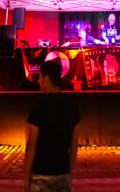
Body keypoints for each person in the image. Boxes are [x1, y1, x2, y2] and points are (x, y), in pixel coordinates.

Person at [25, 60, 81, 192]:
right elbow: (75, 143)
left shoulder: (39, 106)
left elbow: (31, 144)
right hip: (63, 172)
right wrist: (69, 170)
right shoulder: (72, 106)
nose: (38, 80)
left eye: (39, 76)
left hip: (41, 172)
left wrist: (26, 175)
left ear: (47, 79)